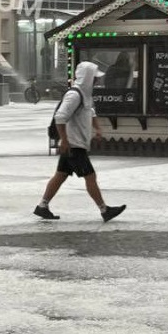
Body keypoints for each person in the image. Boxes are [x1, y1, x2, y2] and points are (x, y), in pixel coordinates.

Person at [33, 60, 126, 222]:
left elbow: (90, 110)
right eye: (95, 78)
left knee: (60, 175)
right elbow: (60, 117)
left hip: (75, 143)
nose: (97, 80)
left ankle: (42, 206)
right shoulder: (74, 95)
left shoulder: (84, 94)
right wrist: (64, 140)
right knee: (90, 176)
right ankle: (105, 210)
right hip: (74, 145)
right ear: (88, 78)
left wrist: (97, 128)